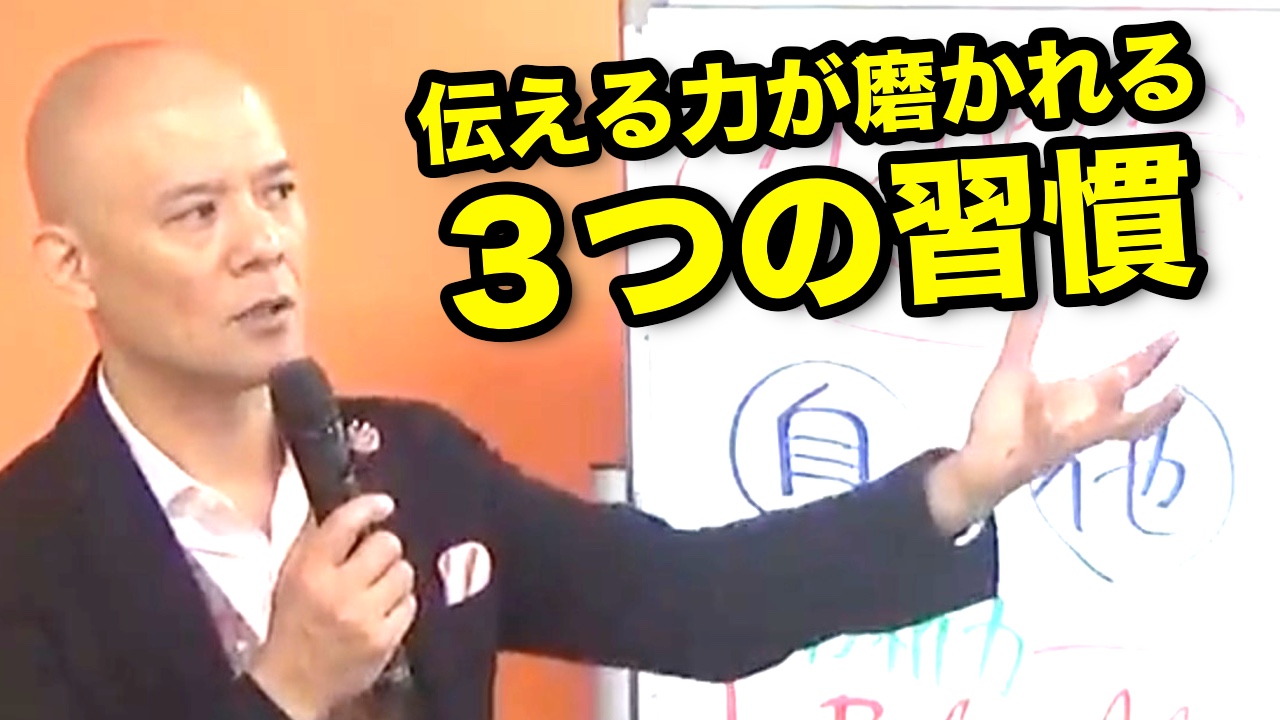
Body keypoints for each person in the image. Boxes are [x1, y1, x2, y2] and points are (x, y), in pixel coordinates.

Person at [0, 40, 1185, 720]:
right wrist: (286, 690)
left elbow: (693, 601)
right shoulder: (27, 552)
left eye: (277, 192)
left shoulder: (414, 465)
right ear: (71, 264)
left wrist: (958, 488)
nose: (262, 243)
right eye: (196, 213)